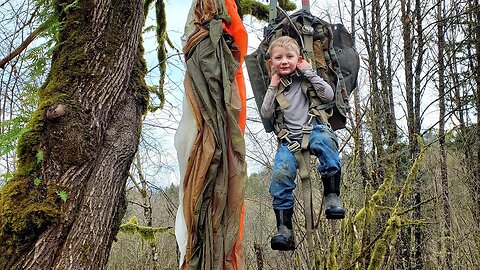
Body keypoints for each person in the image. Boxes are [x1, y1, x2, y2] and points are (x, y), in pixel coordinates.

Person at [261, 36, 345, 251]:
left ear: (298, 58)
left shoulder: (306, 79)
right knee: (281, 174)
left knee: (327, 143)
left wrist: (308, 71)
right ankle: (284, 230)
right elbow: (266, 113)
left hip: (313, 129)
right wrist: (272, 85)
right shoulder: (276, 87)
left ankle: (332, 197)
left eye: (289, 57)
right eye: (278, 58)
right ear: (272, 63)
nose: (284, 61)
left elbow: (328, 96)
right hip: (289, 139)